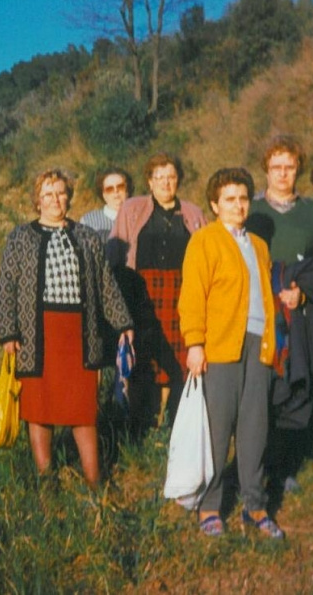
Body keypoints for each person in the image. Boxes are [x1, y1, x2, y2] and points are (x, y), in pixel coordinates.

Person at [0, 168, 134, 489]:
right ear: (37, 200)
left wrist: (123, 322)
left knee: (83, 410)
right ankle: (46, 480)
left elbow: (105, 284)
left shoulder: (86, 237)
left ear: (69, 197)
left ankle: (93, 481)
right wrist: (9, 333)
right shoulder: (20, 237)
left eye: (60, 193)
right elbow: (7, 288)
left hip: (80, 337)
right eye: (48, 194)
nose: (55, 200)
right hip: (37, 336)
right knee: (39, 408)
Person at [178, 167, 283, 539]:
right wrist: (195, 343)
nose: (238, 205)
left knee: (255, 427)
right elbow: (192, 296)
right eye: (229, 199)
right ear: (214, 204)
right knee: (217, 430)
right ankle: (209, 506)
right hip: (219, 346)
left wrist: (272, 343)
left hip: (258, 345)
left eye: (242, 198)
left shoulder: (259, 245)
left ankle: (255, 506)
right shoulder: (204, 241)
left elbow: (266, 299)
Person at [245, 135, 313, 494]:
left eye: (290, 167)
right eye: (276, 167)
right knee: (260, 386)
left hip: (298, 309)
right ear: (265, 170)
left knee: (297, 383)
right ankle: (256, 464)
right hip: (257, 308)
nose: (283, 174)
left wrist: (303, 291)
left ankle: (286, 465)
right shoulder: (249, 210)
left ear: (298, 169)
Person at [108, 153, 206, 426]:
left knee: (178, 356)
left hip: (181, 293)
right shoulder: (132, 209)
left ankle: (173, 417)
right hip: (142, 294)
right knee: (145, 355)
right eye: (159, 177)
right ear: (149, 182)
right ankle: (142, 418)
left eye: (171, 177)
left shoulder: (193, 213)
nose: (165, 183)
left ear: (179, 181)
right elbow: (115, 254)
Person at [80, 168, 133, 240]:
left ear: (127, 190)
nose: (116, 191)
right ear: (103, 195)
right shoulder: (89, 221)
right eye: (109, 189)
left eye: (120, 187)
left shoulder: (141, 217)